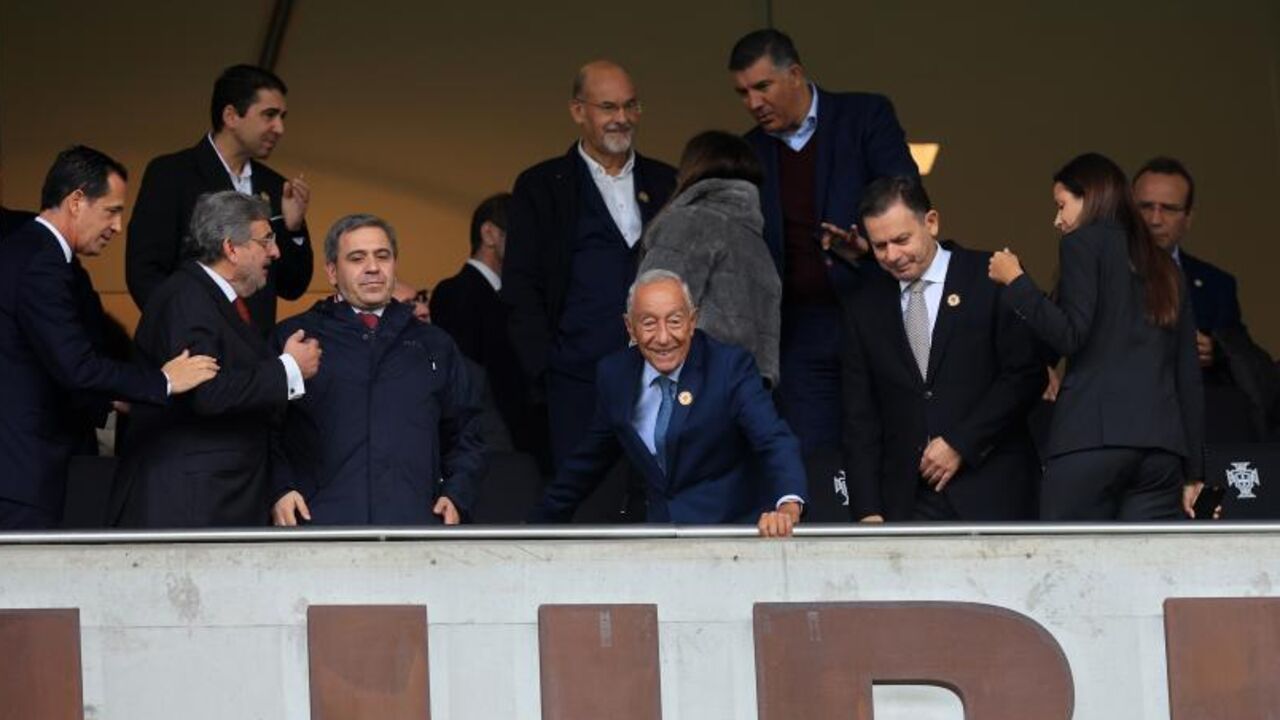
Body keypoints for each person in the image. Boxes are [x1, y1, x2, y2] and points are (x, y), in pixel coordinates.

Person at [0, 146, 218, 529]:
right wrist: (164, 381)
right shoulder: (41, 263)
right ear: (76, 201)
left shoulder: (26, 251)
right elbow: (76, 367)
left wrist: (116, 395)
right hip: (23, 473)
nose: (117, 226)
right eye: (111, 211)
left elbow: (43, 359)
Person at [728, 29, 918, 461]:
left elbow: (905, 192)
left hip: (875, 309)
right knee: (814, 455)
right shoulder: (748, 151)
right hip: (799, 330)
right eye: (742, 93)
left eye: (762, 86)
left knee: (893, 441)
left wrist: (867, 244)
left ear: (795, 74)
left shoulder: (864, 115)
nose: (753, 102)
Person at [988, 152, 1205, 520]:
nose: (1057, 220)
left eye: (1061, 205)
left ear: (1089, 198)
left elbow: (1070, 335)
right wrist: (1194, 470)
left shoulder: (1082, 243)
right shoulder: (1166, 265)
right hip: (1160, 452)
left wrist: (1017, 282)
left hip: (1091, 439)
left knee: (1068, 555)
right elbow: (1188, 374)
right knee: (1146, 558)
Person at [531, 270, 806, 536]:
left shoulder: (728, 367)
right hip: (661, 537)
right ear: (630, 327)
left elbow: (773, 439)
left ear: (692, 321)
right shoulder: (615, 375)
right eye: (649, 323)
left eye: (674, 321)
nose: (663, 338)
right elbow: (589, 461)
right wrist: (532, 530)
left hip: (729, 533)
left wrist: (788, 507)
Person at [502, 60, 677, 470]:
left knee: (663, 492)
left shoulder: (667, 182)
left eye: (631, 106)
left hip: (661, 375)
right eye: (608, 107)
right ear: (578, 111)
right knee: (587, 496)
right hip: (577, 382)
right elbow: (521, 285)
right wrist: (546, 367)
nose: (622, 118)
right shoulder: (542, 186)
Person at [110, 191, 320, 528]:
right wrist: (289, 369)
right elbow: (206, 393)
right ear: (231, 248)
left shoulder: (212, 299)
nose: (276, 252)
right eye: (266, 240)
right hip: (189, 501)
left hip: (211, 497)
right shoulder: (187, 297)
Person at [842, 176, 1044, 522]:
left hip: (993, 488)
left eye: (901, 240)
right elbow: (860, 416)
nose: (892, 256)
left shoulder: (990, 277)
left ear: (931, 222)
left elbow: (1026, 375)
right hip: (908, 500)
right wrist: (867, 510)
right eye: (879, 246)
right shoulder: (865, 306)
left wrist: (961, 443)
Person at [271, 214, 484, 525]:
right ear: (332, 271)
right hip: (320, 526)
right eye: (357, 258)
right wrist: (280, 489)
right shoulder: (294, 338)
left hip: (414, 526)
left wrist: (456, 495)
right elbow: (263, 429)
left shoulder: (435, 343)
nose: (372, 267)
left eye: (382, 256)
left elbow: (467, 433)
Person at [125, 64, 313, 336]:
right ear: (231, 116)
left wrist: (292, 229)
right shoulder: (172, 174)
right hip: (191, 345)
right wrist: (183, 331)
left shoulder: (275, 186)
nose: (280, 128)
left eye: (282, 117)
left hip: (256, 351)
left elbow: (292, 286)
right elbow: (144, 272)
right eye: (269, 115)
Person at [637, 130, 780, 386]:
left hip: (690, 383)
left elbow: (653, 310)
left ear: (692, 169)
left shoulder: (689, 222)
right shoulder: (757, 243)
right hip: (745, 389)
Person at [432, 193, 544, 465]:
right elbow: (465, 378)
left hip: (522, 447)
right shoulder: (456, 292)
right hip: (491, 449)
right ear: (490, 233)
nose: (531, 246)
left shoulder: (516, 297)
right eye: (522, 235)